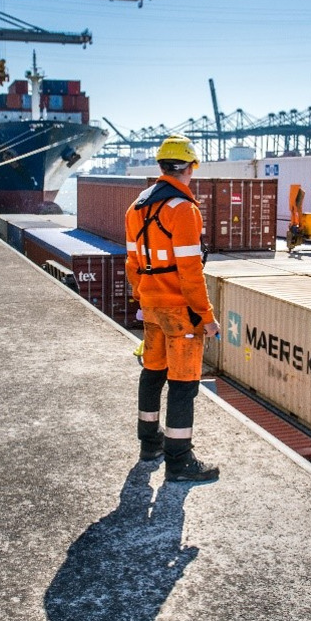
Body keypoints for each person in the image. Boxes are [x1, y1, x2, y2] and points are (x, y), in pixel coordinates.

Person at [125, 135, 220, 482]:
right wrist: (207, 318)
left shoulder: (136, 208)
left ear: (162, 166)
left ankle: (149, 444)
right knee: (183, 384)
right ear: (190, 167)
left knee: (152, 372)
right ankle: (179, 463)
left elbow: (132, 264)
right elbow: (190, 272)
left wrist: (145, 296)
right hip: (181, 312)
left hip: (150, 307)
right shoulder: (183, 210)